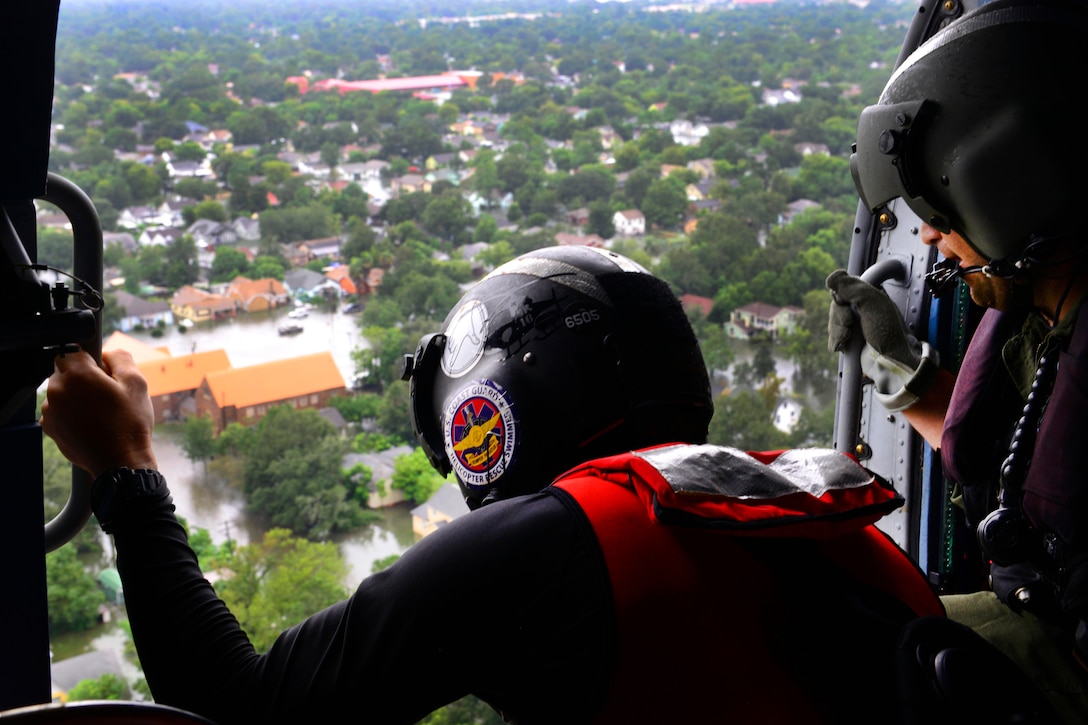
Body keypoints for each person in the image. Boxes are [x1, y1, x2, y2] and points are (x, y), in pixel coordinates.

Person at [41, 245, 943, 724]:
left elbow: (232, 714)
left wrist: (128, 470)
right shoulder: (790, 506)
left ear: (495, 398)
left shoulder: (547, 543)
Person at [826, 0, 1088, 721]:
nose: (935, 241)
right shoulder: (1046, 320)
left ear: (1012, 187)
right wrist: (894, 369)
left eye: (941, 215)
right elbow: (1019, 471)